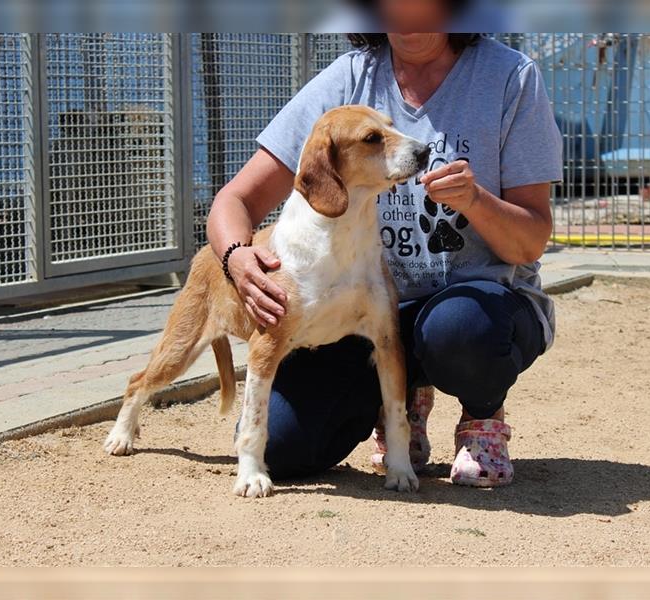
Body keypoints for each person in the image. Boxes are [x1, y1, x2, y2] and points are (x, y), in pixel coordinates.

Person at [206, 33, 562, 488]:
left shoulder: (510, 77)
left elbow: (529, 242)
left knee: (459, 327)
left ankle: (482, 417)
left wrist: (475, 201)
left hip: (475, 307)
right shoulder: (348, 79)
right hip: (360, 314)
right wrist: (238, 259)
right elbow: (234, 200)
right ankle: (401, 401)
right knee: (283, 448)